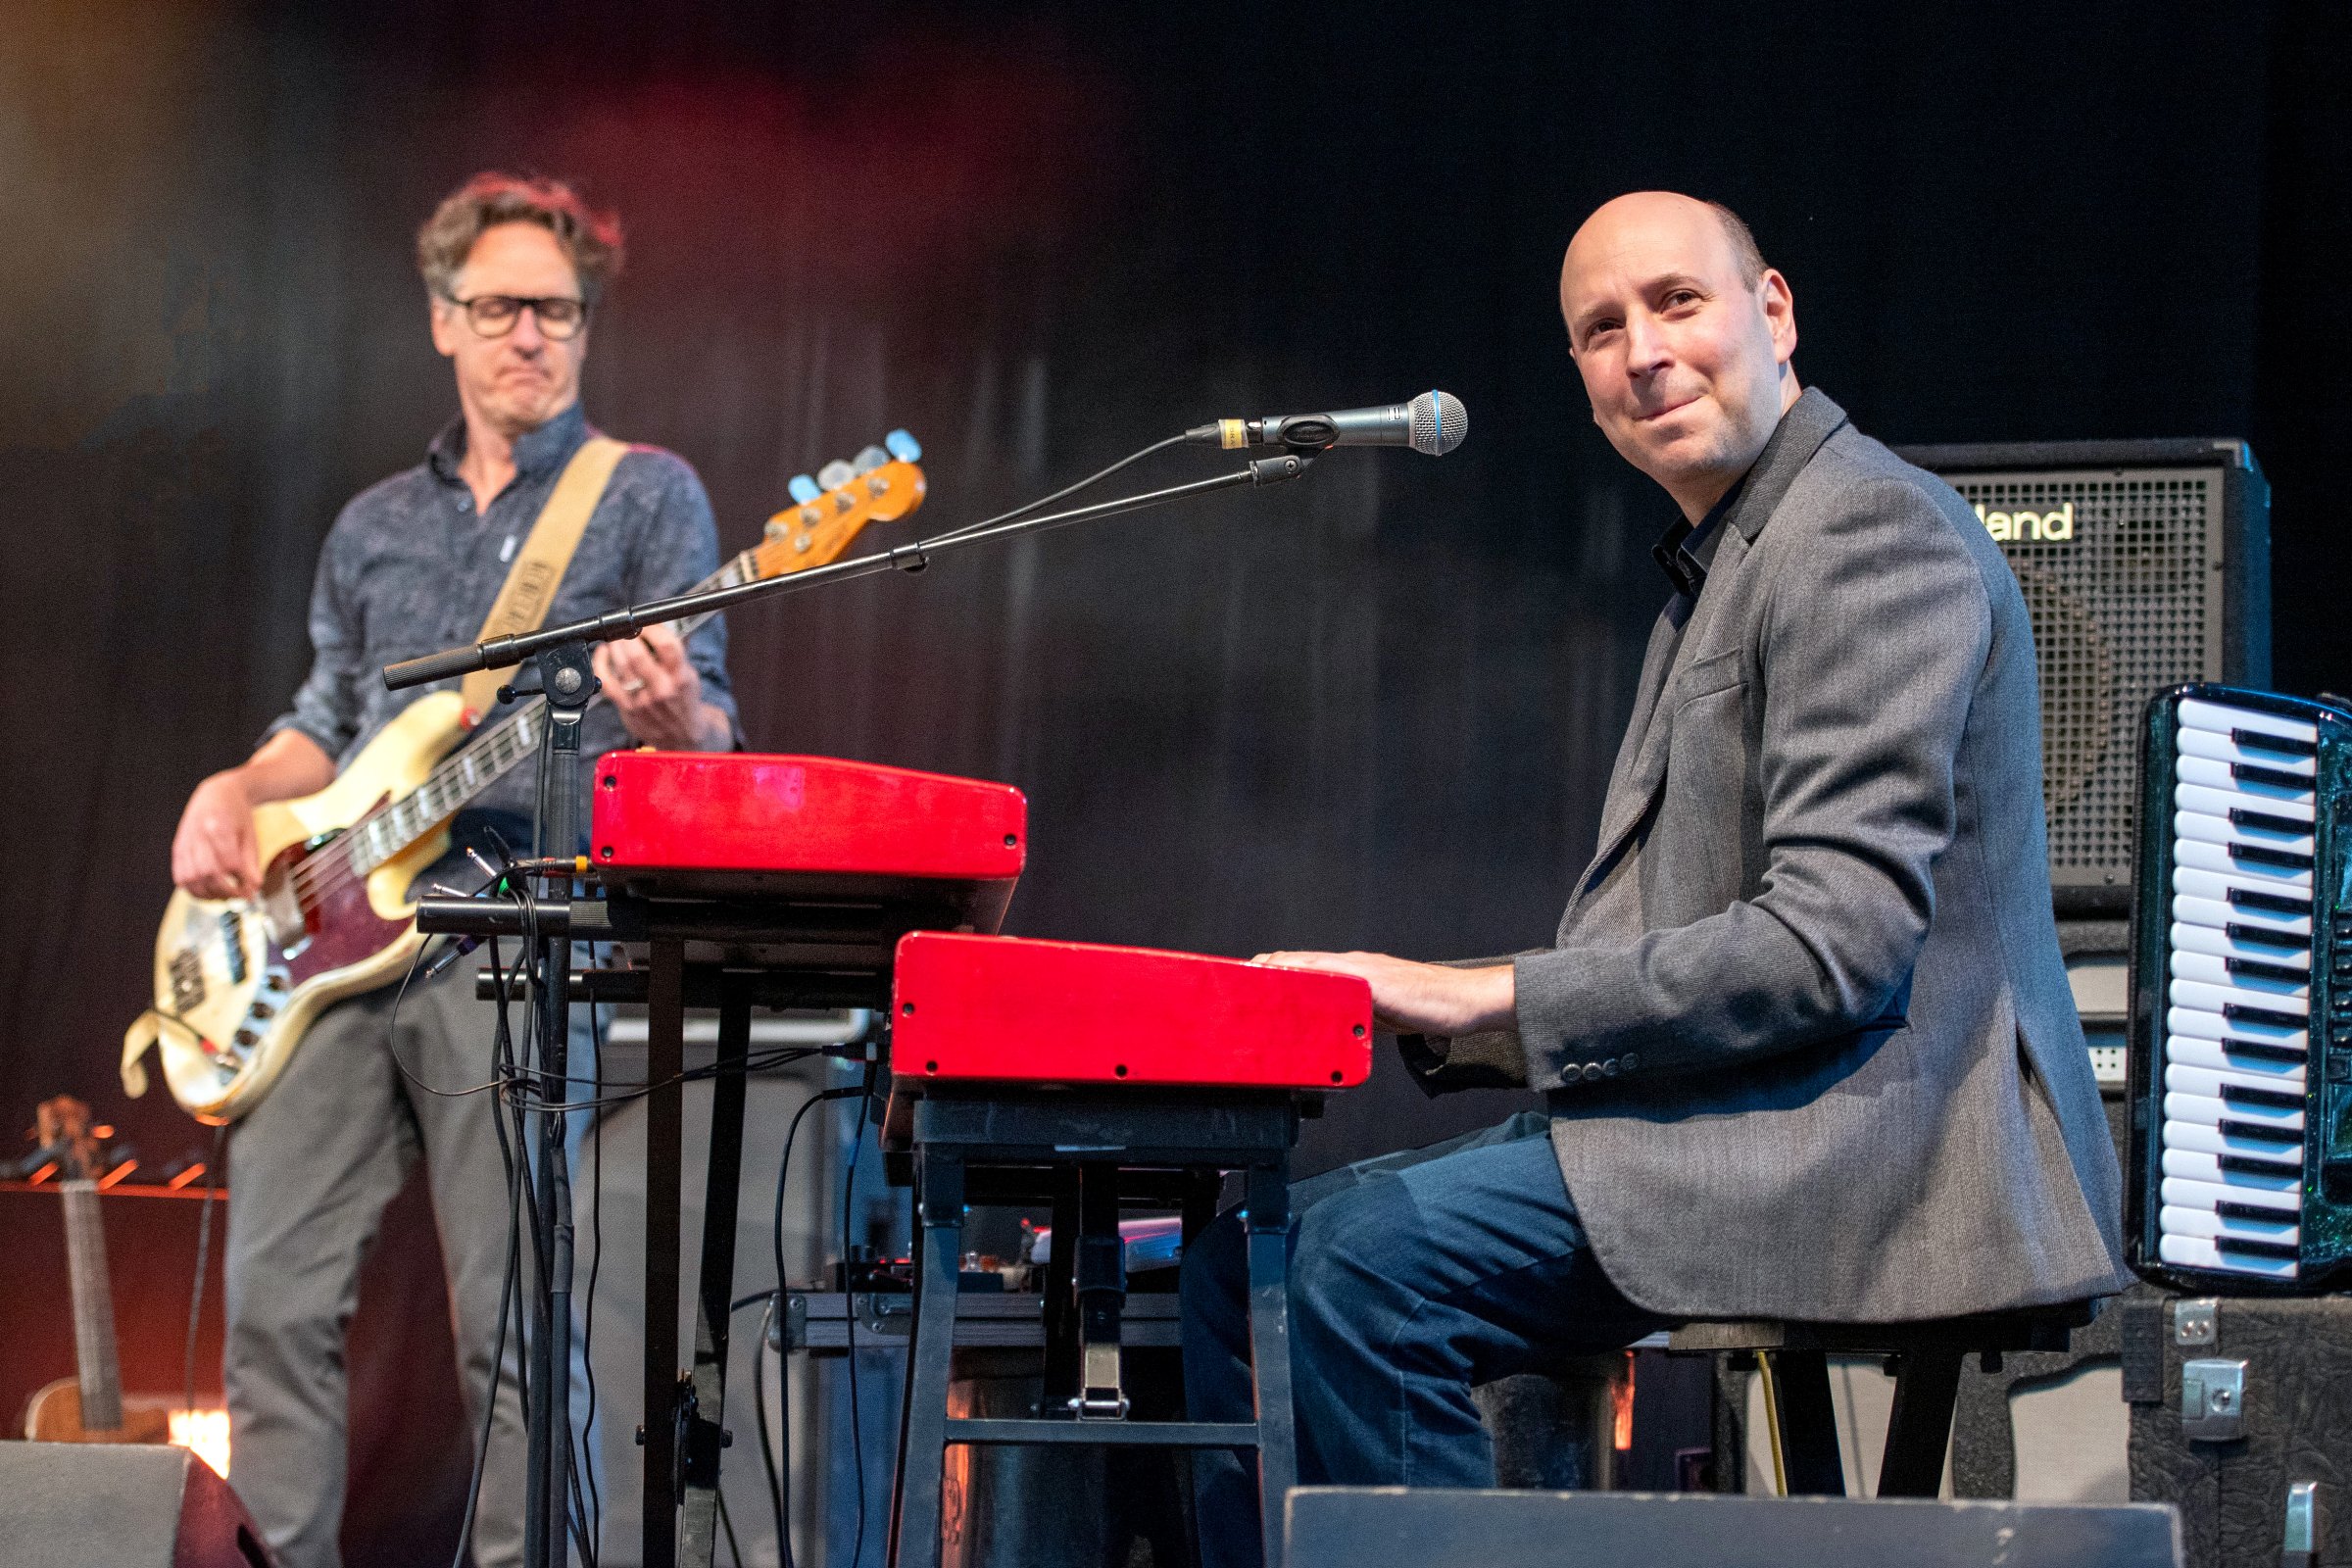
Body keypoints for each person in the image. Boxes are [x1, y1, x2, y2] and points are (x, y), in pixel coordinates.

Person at [1180, 190, 2131, 1563]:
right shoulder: (1738, 553)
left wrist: (1474, 991)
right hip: (1750, 1109)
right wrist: (1457, 1008)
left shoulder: (1864, 535)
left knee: (1354, 1276)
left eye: (1678, 302)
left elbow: (1830, 953)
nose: (1643, 352)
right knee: (1237, 1272)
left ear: (1775, 311)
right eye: (1601, 329)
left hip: (1868, 1137)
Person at [169, 172, 740, 1568]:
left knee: (519, 1327)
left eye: (556, 310)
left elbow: (713, 721)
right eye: (498, 307)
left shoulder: (645, 497)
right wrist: (233, 787)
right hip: (326, 960)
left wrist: (675, 722)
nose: (528, 334)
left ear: (586, 327)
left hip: (513, 942)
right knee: (271, 1310)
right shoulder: (374, 522)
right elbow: (330, 720)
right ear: (442, 320)